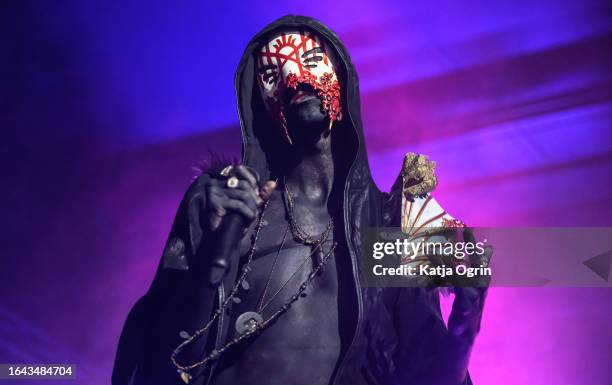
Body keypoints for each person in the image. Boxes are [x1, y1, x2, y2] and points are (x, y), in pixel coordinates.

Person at [113, 15, 490, 385]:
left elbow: (424, 376)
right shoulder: (228, 203)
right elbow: (157, 362)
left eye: (310, 61)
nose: (294, 79)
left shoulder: (388, 230)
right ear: (260, 103)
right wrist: (215, 256)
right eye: (272, 74)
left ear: (340, 78)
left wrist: (466, 319)